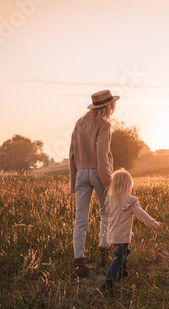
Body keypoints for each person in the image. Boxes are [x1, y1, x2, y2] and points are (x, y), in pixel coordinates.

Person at [69, 90, 119, 277]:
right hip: (98, 172)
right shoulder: (104, 125)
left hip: (81, 172)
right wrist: (108, 181)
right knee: (105, 212)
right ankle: (104, 252)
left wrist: (73, 180)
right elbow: (102, 154)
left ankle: (78, 262)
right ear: (109, 107)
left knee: (80, 218)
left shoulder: (79, 123)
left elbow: (72, 153)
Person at [100, 169, 162, 292]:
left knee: (123, 252)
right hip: (122, 235)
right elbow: (143, 215)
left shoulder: (111, 200)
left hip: (113, 234)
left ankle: (123, 272)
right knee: (119, 256)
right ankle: (108, 281)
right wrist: (154, 224)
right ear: (128, 185)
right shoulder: (130, 201)